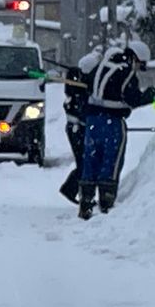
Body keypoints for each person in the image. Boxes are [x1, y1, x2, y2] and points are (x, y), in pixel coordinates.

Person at [77, 40, 155, 220]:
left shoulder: (102, 66)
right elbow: (133, 99)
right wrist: (149, 95)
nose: (138, 69)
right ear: (135, 58)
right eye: (140, 65)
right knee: (110, 161)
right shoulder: (126, 72)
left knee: (91, 159)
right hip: (111, 122)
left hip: (91, 121)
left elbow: (87, 87)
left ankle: (86, 202)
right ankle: (106, 202)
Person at [57, 49, 100, 205]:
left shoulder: (81, 86)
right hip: (77, 129)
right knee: (85, 163)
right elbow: (83, 110)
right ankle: (72, 190)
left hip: (78, 128)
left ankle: (74, 190)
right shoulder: (79, 90)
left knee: (85, 162)